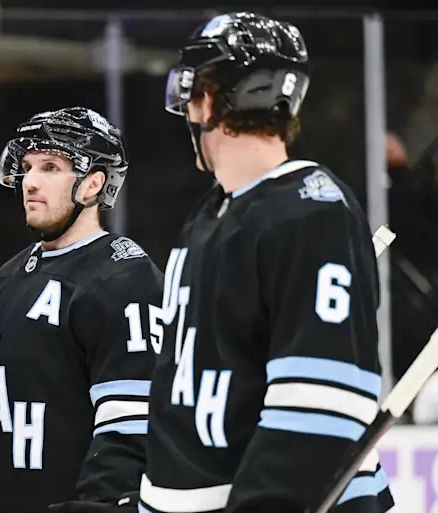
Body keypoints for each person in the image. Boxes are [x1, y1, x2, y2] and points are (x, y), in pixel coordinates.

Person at [136, 12, 394, 513]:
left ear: (210, 100)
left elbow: (320, 408)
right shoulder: (210, 215)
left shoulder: (312, 212)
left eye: (194, 93)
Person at [0, 106, 162, 513]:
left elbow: (133, 423)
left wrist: (108, 503)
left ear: (93, 183)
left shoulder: (124, 277)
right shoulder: (8, 278)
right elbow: (20, 405)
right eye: (27, 167)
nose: (31, 181)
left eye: (50, 167)